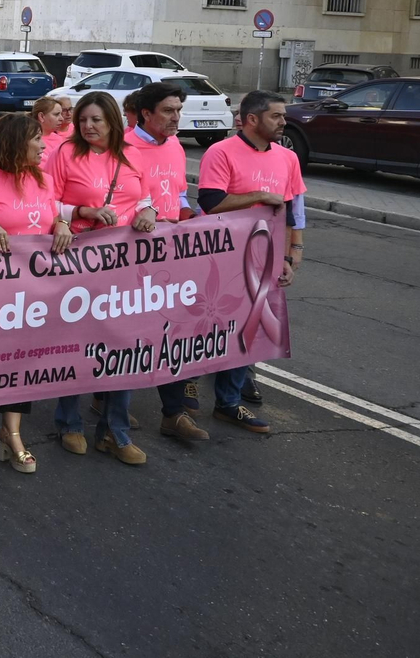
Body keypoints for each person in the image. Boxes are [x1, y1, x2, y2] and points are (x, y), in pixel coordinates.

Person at [0, 113, 73, 476]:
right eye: (36, 139)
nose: (43, 145)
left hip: (34, 292)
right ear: (16, 143)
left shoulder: (43, 179)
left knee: (22, 361)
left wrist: (63, 224)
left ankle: (12, 434)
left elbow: (53, 219)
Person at [48, 92, 158, 466]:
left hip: (124, 266)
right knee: (75, 343)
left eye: (96, 120)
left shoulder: (132, 155)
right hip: (79, 263)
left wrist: (148, 213)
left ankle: (115, 432)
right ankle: (69, 423)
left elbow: (144, 198)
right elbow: (48, 202)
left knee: (124, 346)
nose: (88, 126)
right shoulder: (66, 153)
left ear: (112, 121)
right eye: (82, 120)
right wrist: (81, 212)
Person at [195, 89, 304, 436]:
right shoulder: (221, 152)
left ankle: (228, 403)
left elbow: (287, 211)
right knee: (207, 328)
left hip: (263, 258)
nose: (284, 121)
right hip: (220, 258)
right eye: (277, 116)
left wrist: (288, 254)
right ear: (253, 119)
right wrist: (258, 195)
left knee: (249, 331)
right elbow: (211, 202)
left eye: (284, 115)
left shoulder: (288, 158)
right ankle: (182, 393)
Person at [125, 81, 210, 441]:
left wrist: (190, 216)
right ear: (146, 113)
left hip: (173, 253)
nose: (177, 118)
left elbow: (177, 192)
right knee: (129, 332)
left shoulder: (175, 145)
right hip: (133, 255)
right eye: (168, 111)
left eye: (179, 110)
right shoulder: (124, 147)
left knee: (173, 327)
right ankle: (107, 400)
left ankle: (173, 413)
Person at [33, 96, 71, 168]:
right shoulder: (29, 141)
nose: (61, 118)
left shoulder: (60, 140)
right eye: (56, 114)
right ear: (41, 116)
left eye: (61, 114)